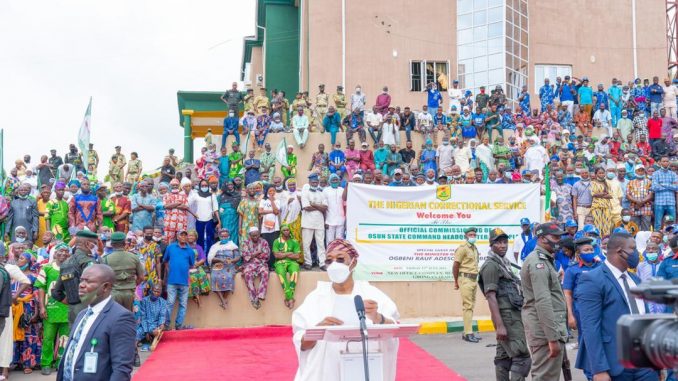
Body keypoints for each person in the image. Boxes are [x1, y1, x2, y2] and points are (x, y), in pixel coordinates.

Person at [292, 239, 399, 381]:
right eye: (329, 261)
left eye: (340, 259)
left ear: (353, 263)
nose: (334, 264)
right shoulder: (316, 298)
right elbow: (302, 345)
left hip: (364, 370)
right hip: (326, 373)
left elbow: (394, 331)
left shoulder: (372, 294)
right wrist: (318, 330)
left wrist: (377, 318)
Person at [576, 233, 658, 381]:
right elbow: (590, 327)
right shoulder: (592, 279)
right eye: (633, 249)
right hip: (615, 365)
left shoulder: (635, 280)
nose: (637, 254)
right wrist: (599, 369)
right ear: (620, 251)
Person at [56, 264, 136, 381]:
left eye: (88, 282)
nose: (81, 285)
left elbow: (121, 369)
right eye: (81, 280)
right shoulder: (82, 314)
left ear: (105, 287)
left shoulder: (121, 318)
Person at [478, 228, 531, 381]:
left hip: (511, 314)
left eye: (504, 242)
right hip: (507, 317)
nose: (502, 246)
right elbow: (490, 296)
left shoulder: (503, 263)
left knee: (504, 357)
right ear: (491, 245)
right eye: (498, 242)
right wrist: (500, 325)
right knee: (521, 357)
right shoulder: (491, 266)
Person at [520, 223, 568, 381]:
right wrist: (552, 338)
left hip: (548, 330)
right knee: (545, 377)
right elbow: (543, 302)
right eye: (555, 237)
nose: (558, 241)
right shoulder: (538, 263)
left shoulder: (546, 260)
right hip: (545, 333)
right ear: (541, 238)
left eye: (560, 237)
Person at [52, 230, 99, 324]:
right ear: (87, 244)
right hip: (89, 308)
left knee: (75, 337)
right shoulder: (89, 262)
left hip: (73, 310)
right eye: (95, 244)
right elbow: (95, 287)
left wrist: (73, 302)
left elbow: (56, 293)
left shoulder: (65, 263)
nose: (96, 247)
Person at [102, 232, 144, 313]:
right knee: (127, 317)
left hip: (113, 293)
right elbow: (141, 277)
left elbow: (103, 279)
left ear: (112, 244)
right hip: (129, 293)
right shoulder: (134, 257)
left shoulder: (106, 259)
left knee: (114, 318)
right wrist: (132, 285)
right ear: (125, 243)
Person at [162, 230, 195, 330]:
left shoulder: (190, 251)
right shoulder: (170, 247)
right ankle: (166, 325)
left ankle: (178, 325)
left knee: (183, 305)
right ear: (178, 236)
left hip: (184, 282)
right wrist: (169, 270)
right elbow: (165, 261)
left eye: (185, 235)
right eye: (182, 235)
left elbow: (191, 264)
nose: (184, 237)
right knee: (170, 303)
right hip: (172, 281)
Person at [453, 227, 480, 343]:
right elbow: (455, 265)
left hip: (474, 279)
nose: (473, 236)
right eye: (470, 234)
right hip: (465, 279)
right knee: (467, 306)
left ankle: (467, 331)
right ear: (466, 236)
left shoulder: (474, 248)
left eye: (474, 235)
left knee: (471, 306)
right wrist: (456, 281)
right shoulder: (462, 248)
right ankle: (469, 333)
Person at [207, 229, 240, 309]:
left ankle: (224, 300)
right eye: (222, 236)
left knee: (229, 276)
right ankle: (223, 301)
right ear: (219, 237)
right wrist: (220, 260)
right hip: (218, 265)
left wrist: (231, 260)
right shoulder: (215, 246)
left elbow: (238, 257)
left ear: (229, 236)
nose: (224, 238)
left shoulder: (233, 246)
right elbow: (211, 258)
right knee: (214, 277)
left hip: (229, 265)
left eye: (226, 236)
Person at [301, 174, 328, 270]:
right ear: (309, 183)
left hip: (319, 222)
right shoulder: (305, 193)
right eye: (313, 182)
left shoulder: (322, 193)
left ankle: (322, 263)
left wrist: (313, 204)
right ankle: (308, 262)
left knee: (320, 243)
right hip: (307, 222)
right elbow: (306, 207)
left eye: (316, 182)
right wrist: (319, 206)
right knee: (306, 243)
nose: (315, 184)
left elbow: (325, 208)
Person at [240, 226, 270, 309]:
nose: (255, 237)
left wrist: (252, 255)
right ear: (250, 235)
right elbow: (245, 256)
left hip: (261, 264)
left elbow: (266, 255)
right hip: (249, 264)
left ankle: (260, 295)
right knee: (247, 274)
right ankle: (254, 298)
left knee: (265, 273)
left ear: (259, 234)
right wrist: (258, 253)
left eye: (257, 235)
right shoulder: (245, 242)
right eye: (253, 236)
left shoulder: (264, 242)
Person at [272, 225, 301, 309]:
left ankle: (288, 297)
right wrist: (289, 253)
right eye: (284, 230)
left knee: (295, 272)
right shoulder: (276, 241)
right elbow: (277, 256)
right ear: (281, 231)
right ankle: (290, 298)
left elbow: (297, 256)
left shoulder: (294, 241)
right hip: (279, 263)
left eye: (287, 230)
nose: (286, 231)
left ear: (290, 231)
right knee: (281, 274)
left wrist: (283, 254)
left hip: (292, 262)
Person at [136, 284, 169, 351]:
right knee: (137, 333)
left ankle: (149, 338)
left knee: (156, 332)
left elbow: (162, 316)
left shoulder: (163, 302)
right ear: (151, 290)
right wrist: (146, 331)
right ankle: (135, 347)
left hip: (156, 325)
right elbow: (143, 317)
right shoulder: (144, 301)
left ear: (160, 293)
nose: (156, 293)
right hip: (145, 324)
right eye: (154, 291)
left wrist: (161, 324)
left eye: (158, 292)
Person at [651, 156, 677, 231]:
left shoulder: (673, 174)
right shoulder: (656, 174)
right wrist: (670, 186)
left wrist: (662, 184)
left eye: (667, 161)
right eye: (663, 161)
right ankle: (657, 239)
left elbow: (676, 187)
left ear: (669, 162)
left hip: (671, 201)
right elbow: (654, 187)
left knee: (673, 223)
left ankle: (672, 240)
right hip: (659, 202)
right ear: (660, 162)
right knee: (658, 223)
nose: (665, 163)